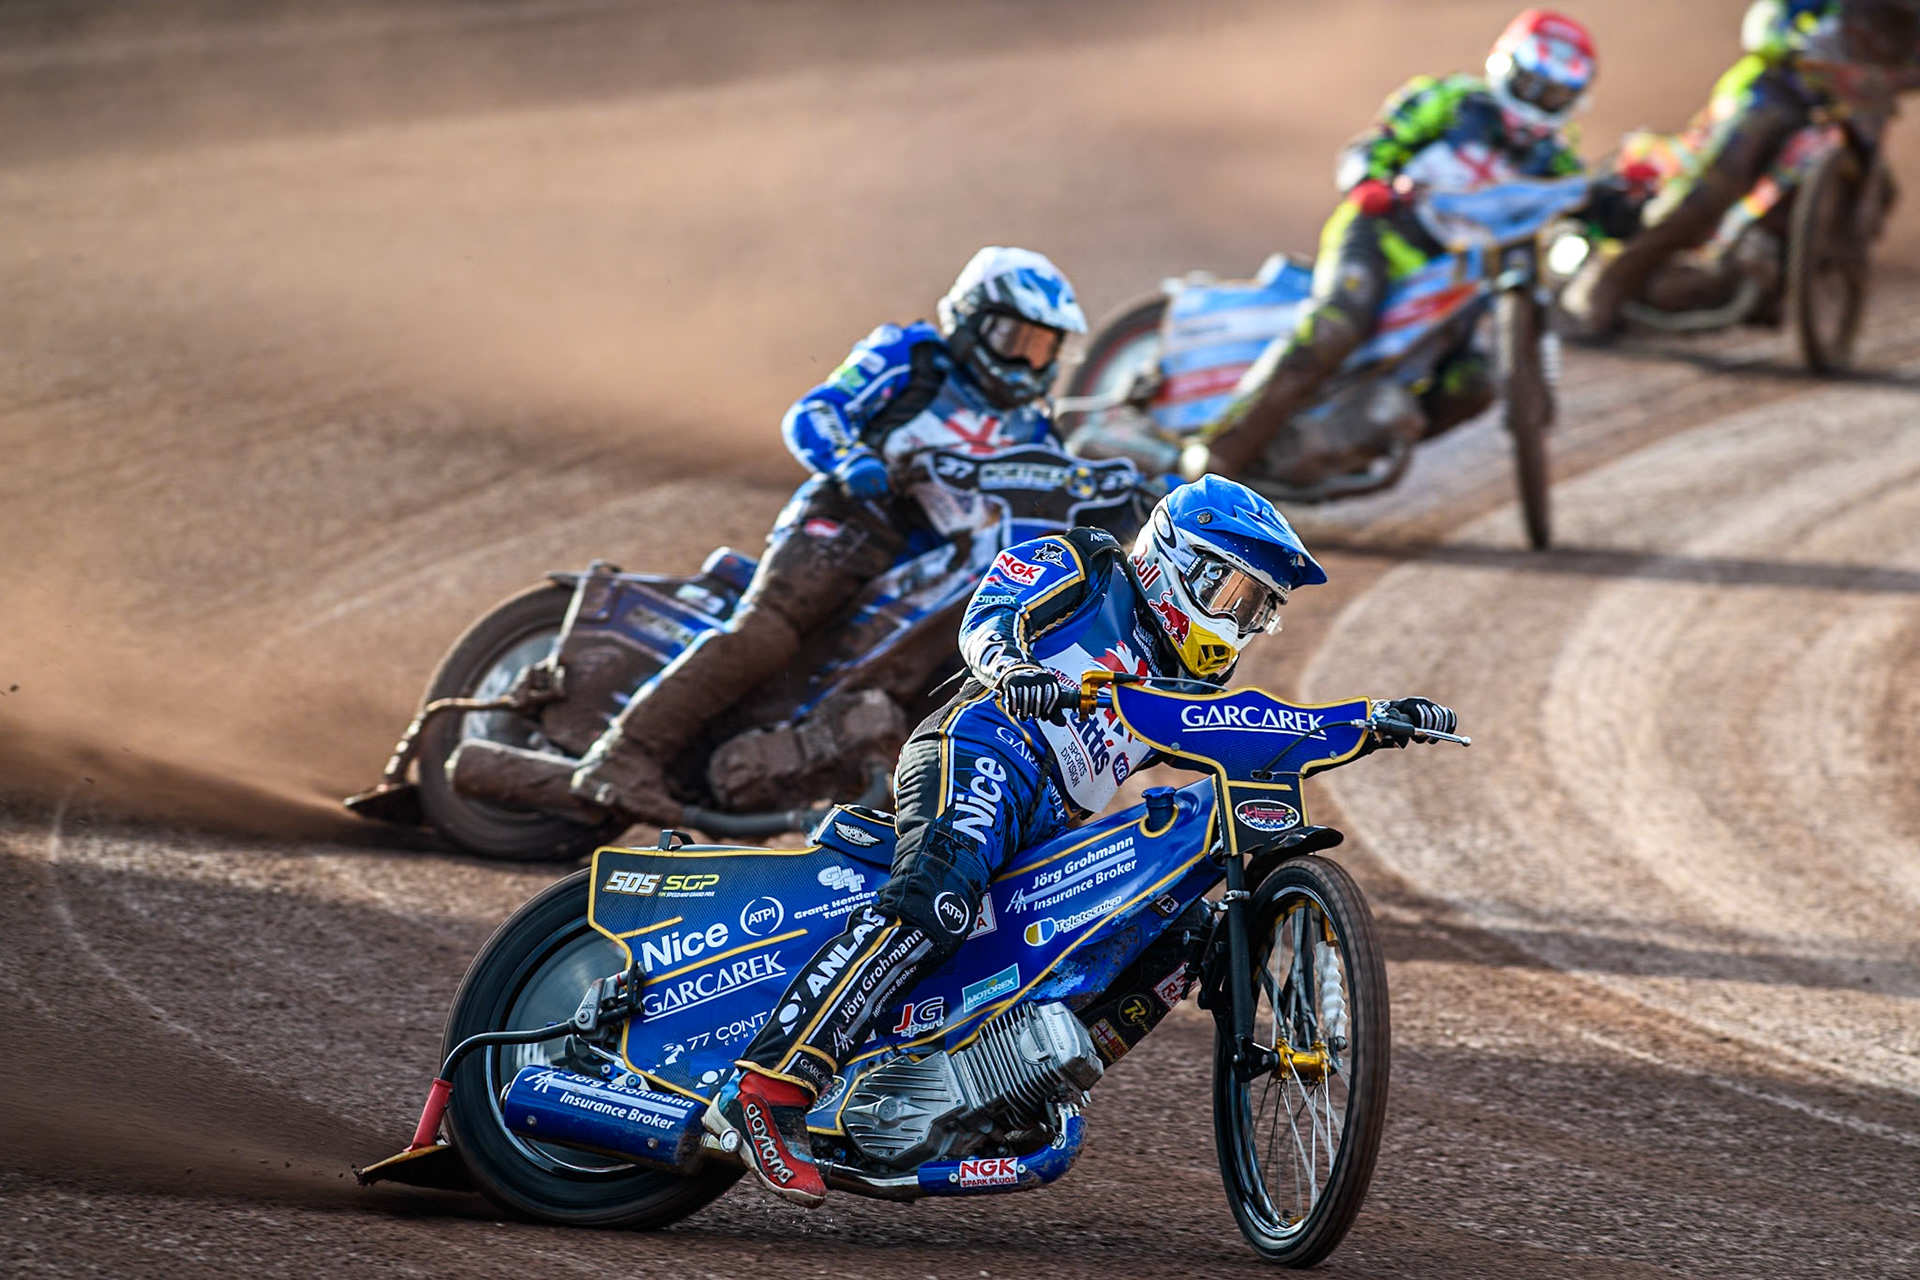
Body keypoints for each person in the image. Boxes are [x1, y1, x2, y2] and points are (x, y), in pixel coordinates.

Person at [703, 474, 1459, 1206]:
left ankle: (1007, 1088)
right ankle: (767, 1090)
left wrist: (1371, 720)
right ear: (1178, 563)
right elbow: (989, 615)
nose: (1240, 623)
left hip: (1052, 820)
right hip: (983, 750)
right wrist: (1013, 668)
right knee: (935, 902)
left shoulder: (1184, 685)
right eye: (1235, 595)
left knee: (1184, 923)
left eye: (1258, 610)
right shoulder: (1087, 564)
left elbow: (1257, 733)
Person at [452, 247, 1087, 826]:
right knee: (771, 630)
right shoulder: (911, 356)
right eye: (1014, 338)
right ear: (971, 320)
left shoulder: (1037, 430)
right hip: (852, 517)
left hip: (938, 567)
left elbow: (1060, 498)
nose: (1027, 359)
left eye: (1042, 346)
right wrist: (852, 460)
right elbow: (816, 411)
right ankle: (624, 754)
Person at [1187, 10, 1595, 487]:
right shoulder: (1448, 101)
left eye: (1554, 96)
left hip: (1459, 289)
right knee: (1337, 326)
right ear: (1505, 69)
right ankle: (1217, 454)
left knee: (1474, 384)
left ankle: (1351, 445)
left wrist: (1625, 202)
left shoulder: (1559, 161)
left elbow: (1591, 208)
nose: (1537, 105)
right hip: (1381, 237)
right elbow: (1376, 144)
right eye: (1531, 87)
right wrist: (1370, 179)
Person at [1561, 0, 1920, 337]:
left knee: (1880, 196)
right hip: (1780, 91)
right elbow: (1769, 22)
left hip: (1857, 114)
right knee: (1717, 183)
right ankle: (1611, 280)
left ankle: (1775, 276)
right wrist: (1792, 42)